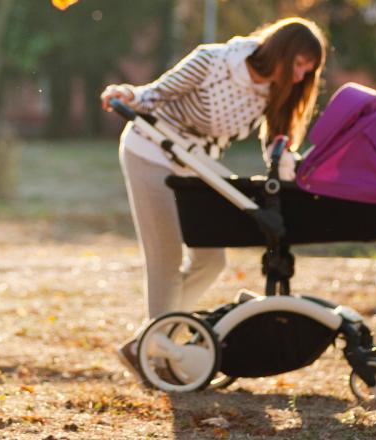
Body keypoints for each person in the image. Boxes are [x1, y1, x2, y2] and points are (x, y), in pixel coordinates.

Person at [100, 17, 327, 382]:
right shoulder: (215, 61)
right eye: (300, 64)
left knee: (211, 259)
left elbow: (278, 147)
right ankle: (154, 358)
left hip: (198, 163)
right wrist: (126, 94)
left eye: (309, 70)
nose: (301, 76)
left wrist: (296, 178)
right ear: (282, 52)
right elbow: (155, 93)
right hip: (151, 150)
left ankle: (149, 342)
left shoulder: (275, 91)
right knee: (166, 258)